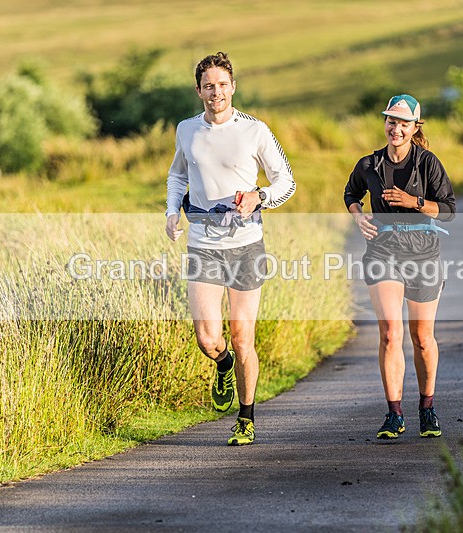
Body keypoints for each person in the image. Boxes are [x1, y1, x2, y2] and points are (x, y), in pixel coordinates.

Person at [165, 52, 296, 446]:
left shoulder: (255, 130)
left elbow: (285, 182)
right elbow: (176, 174)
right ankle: (222, 365)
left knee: (242, 337)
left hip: (245, 243)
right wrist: (173, 210)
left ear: (233, 87)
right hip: (203, 243)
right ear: (199, 90)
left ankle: (246, 418)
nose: (216, 92)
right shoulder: (186, 130)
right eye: (209, 86)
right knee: (208, 338)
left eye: (223, 84)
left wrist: (260, 197)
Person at [343, 94, 455, 439]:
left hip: (423, 255)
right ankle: (394, 414)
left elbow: (450, 209)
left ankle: (427, 408)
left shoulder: (428, 163)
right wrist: (359, 216)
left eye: (404, 123)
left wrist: (415, 202)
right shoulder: (369, 165)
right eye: (391, 121)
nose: (396, 128)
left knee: (422, 338)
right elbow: (350, 194)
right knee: (391, 333)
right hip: (383, 253)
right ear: (385, 123)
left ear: (414, 127)